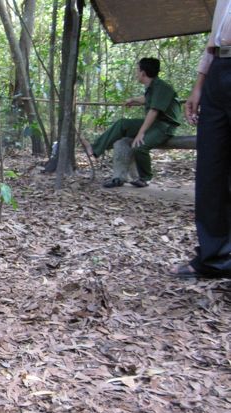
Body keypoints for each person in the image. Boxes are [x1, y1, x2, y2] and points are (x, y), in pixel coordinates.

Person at [170, 0, 231, 279]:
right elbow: (214, 36)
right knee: (211, 169)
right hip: (219, 67)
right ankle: (214, 257)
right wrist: (200, 83)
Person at [83, 57, 181, 188]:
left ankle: (145, 178)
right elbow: (146, 99)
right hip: (154, 123)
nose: (136, 73)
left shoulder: (162, 87)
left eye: (137, 70)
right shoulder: (152, 86)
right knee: (122, 123)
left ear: (143, 73)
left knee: (139, 146)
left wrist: (141, 133)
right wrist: (132, 100)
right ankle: (95, 149)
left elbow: (153, 111)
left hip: (165, 126)